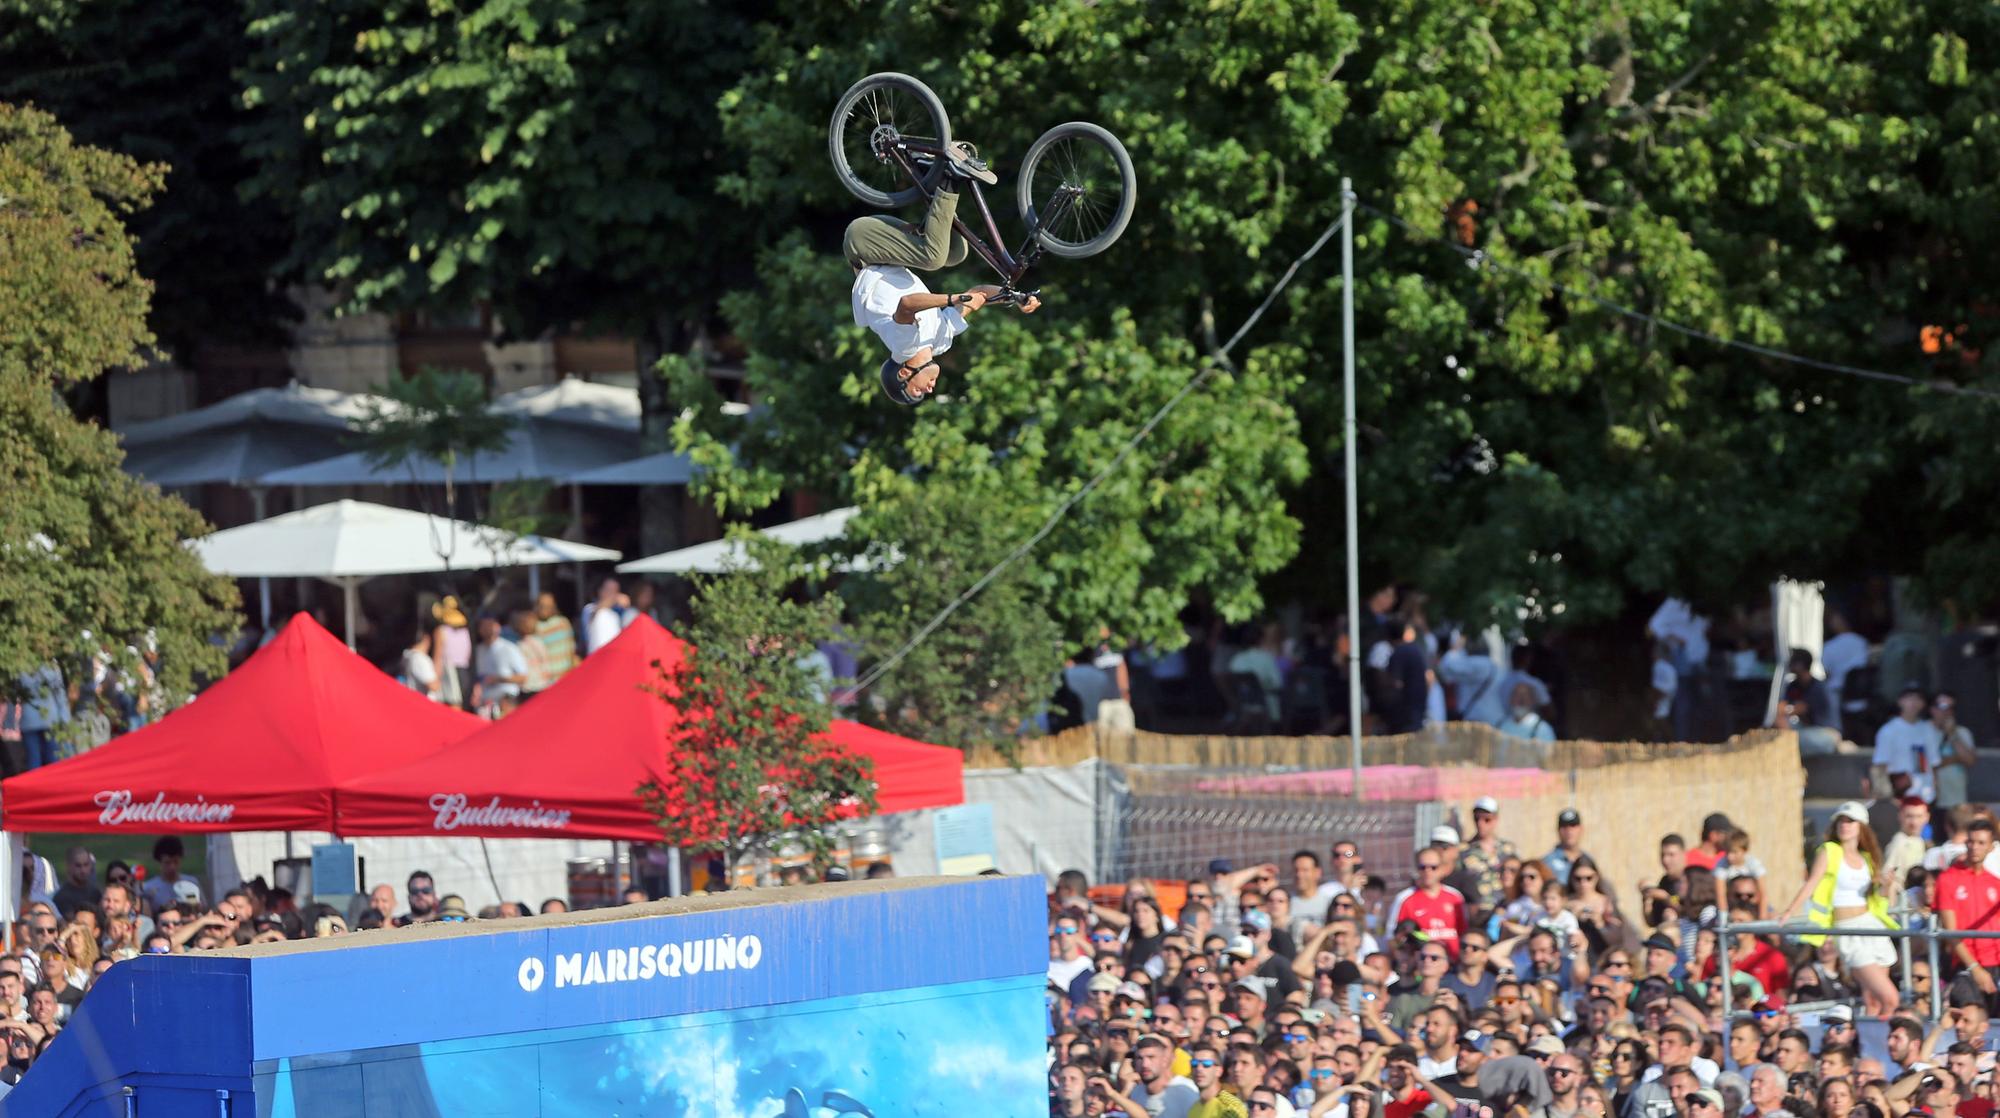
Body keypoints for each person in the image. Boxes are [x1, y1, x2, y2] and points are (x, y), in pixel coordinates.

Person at [845, 148, 1042, 405]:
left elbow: (907, 305)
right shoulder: (940, 340)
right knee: (956, 252)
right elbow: (978, 292)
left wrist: (952, 298)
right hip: (888, 253)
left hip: (863, 245)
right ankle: (930, 169)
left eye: (917, 391)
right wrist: (1015, 298)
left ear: (905, 373)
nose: (928, 391)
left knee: (934, 257)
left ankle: (950, 177)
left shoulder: (902, 347)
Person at [1775, 801, 1900, 1018]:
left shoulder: (1867, 858)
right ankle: (1881, 1039)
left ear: (1861, 826)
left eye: (1850, 821)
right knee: (1890, 999)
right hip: (1848, 929)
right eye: (1841, 820)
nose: (1845, 825)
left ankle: (1871, 1043)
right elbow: (1811, 883)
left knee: (1872, 1001)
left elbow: (1877, 898)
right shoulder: (1829, 851)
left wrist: (1886, 885)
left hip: (1871, 924)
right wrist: (1789, 911)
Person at [1937, 817, 2000, 1011]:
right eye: (1971, 842)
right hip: (1967, 965)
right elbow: (1951, 932)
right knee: (1971, 1019)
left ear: (1991, 847)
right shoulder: (1948, 879)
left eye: (1981, 843)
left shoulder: (1995, 883)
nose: (1974, 847)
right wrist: (1975, 969)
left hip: (1995, 962)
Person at [1872, 684, 1942, 805]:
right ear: (1900, 701)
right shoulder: (1888, 730)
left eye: (1918, 698)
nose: (1913, 703)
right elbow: (1880, 765)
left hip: (1926, 796)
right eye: (1909, 698)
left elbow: (1934, 763)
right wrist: (1886, 795)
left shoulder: (1928, 729)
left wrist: (1936, 789)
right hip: (1900, 797)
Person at [1460, 797, 1519, 920]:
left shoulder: (1508, 848)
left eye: (1487, 819)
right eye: (1477, 819)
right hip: (1477, 915)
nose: (1481, 824)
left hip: (1504, 911)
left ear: (1496, 819)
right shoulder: (1464, 850)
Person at [1776, 649, 1841, 757]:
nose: (1789, 665)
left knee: (1790, 740)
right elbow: (1781, 709)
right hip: (1808, 730)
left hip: (1827, 733)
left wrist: (1783, 711)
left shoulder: (1818, 687)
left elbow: (1798, 708)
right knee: (1779, 733)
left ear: (1801, 664)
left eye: (1792, 661)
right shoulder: (1793, 685)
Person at [1931, 691, 1978, 818]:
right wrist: (1956, 758)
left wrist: (1952, 734)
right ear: (1932, 709)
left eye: (1951, 708)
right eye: (1942, 707)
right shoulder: (1923, 731)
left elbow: (1970, 760)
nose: (1947, 712)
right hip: (1929, 799)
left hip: (1956, 800)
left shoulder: (1962, 732)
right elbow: (1927, 764)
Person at [471, 615, 528, 719]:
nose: (487, 628)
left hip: (505, 701)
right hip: (484, 705)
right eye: (484, 625)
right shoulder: (477, 651)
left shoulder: (509, 648)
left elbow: (523, 677)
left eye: (490, 624)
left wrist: (499, 679)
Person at [430, 595, 472, 708]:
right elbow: (468, 655)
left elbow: (438, 656)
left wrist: (435, 678)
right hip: (464, 672)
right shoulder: (465, 632)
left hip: (449, 671)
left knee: (449, 709)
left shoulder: (441, 631)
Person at [532, 592, 579, 681]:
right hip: (548, 679)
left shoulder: (563, 622)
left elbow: (571, 648)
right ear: (536, 606)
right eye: (542, 606)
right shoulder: (534, 627)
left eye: (549, 606)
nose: (545, 609)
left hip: (566, 675)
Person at [580, 578, 630, 655]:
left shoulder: (617, 613)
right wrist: (614, 599)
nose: (612, 594)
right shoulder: (589, 608)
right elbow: (593, 615)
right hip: (595, 658)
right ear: (600, 590)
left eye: (615, 591)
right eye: (609, 590)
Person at [1545, 810, 1592, 887]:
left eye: (1573, 826)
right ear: (1558, 830)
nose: (1569, 831)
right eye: (1564, 827)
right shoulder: (1547, 862)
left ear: (1581, 829)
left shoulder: (1588, 860)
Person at [401, 626, 442, 700]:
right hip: (424, 703)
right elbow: (434, 686)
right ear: (426, 639)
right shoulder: (420, 659)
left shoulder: (407, 655)